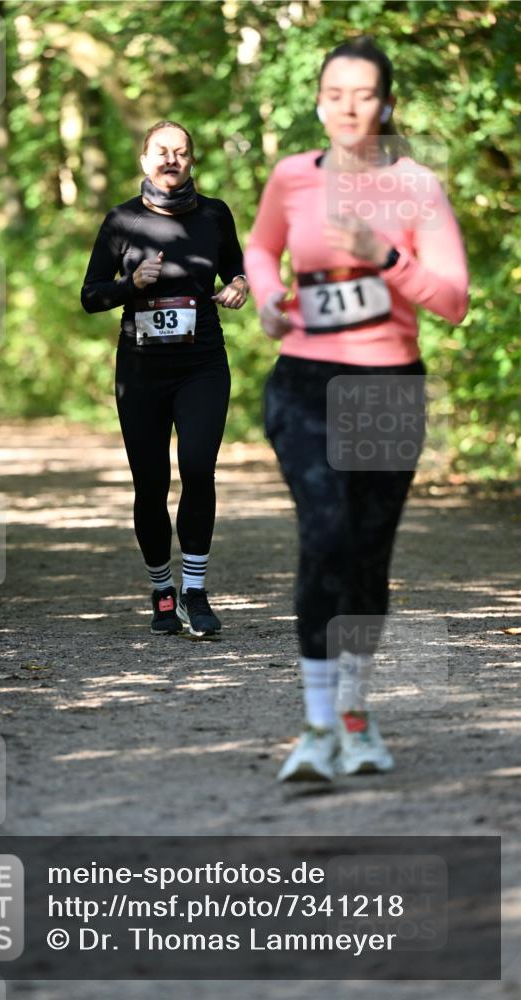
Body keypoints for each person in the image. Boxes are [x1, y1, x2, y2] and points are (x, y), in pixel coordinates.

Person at [245, 37, 468, 781]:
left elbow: (454, 301)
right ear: (317, 100)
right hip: (305, 381)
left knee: (367, 561)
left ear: (386, 104)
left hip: (386, 391)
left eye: (362, 94)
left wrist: (385, 256)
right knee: (325, 533)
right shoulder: (289, 177)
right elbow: (258, 250)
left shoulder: (416, 187)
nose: (347, 106)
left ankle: (353, 714)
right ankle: (313, 729)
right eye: (334, 92)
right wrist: (271, 300)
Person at [81, 121, 248, 637]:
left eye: (180, 152)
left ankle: (195, 592)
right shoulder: (122, 220)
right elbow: (91, 296)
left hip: (202, 363)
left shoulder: (215, 214)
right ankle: (162, 590)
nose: (171, 159)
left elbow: (238, 270)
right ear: (144, 160)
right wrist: (130, 284)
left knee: (198, 469)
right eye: (161, 151)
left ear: (192, 161)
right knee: (150, 484)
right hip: (141, 370)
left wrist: (240, 284)